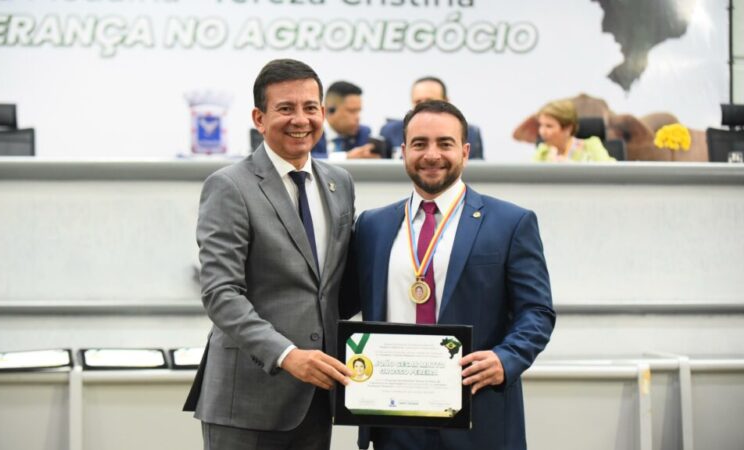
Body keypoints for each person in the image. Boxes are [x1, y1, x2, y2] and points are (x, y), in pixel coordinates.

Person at [343, 100, 556, 450]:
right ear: (403, 151)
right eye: (419, 144)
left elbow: (537, 311)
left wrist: (506, 358)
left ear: (465, 151)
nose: (432, 155)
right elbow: (344, 304)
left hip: (476, 415)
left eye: (445, 143)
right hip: (392, 420)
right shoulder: (371, 226)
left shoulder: (510, 223)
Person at [184, 58, 356, 450]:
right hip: (247, 401)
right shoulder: (229, 186)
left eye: (311, 107)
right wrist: (287, 354)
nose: (301, 119)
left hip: (316, 399)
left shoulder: (339, 183)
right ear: (259, 119)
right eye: (286, 108)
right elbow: (221, 294)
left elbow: (336, 286)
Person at [380, 77, 484, 159]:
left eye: (430, 101)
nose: (424, 107)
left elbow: (477, 174)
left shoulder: (470, 133)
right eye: (418, 102)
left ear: (446, 101)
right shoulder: (390, 131)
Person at [311, 81, 381, 160]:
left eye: (359, 111)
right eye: (352, 111)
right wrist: (346, 157)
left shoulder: (362, 133)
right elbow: (303, 160)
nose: (358, 117)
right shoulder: (310, 132)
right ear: (330, 110)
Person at [534, 99, 615, 162]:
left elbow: (612, 172)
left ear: (568, 128)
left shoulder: (591, 146)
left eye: (549, 126)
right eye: (541, 125)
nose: (542, 131)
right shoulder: (543, 151)